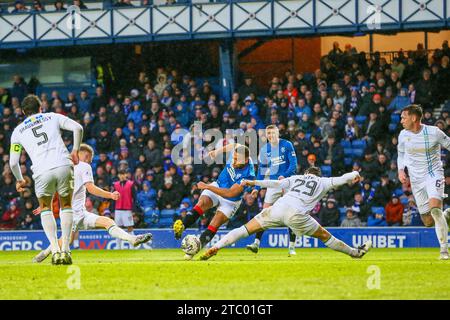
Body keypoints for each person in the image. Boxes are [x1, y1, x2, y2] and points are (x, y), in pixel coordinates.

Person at [199, 167, 371, 261]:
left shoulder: (296, 178)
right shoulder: (323, 181)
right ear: (318, 175)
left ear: (306, 174)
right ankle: (355, 253)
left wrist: (253, 182)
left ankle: (216, 247)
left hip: (277, 208)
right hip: (297, 215)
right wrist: (355, 173)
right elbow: (343, 179)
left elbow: (274, 183)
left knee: (244, 229)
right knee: (325, 236)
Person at [32, 144, 152, 263]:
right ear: (85, 155)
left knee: (106, 222)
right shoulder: (84, 166)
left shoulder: (61, 168)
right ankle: (46, 253)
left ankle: (132, 239)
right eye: (89, 160)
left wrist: (45, 204)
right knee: (67, 240)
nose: (89, 163)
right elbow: (90, 188)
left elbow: (55, 189)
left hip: (76, 212)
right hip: (73, 213)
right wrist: (110, 195)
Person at [9, 95, 83, 265]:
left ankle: (55, 252)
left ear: (22, 112)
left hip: (42, 171)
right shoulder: (53, 117)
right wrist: (75, 150)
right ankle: (66, 250)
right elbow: (78, 128)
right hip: (64, 165)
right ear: (40, 107)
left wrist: (20, 179)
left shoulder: (18, 132)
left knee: (45, 208)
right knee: (66, 205)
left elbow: (13, 162)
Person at [172, 144, 255, 260]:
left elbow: (230, 193)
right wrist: (217, 151)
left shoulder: (248, 175)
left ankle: (193, 250)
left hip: (230, 201)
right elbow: (234, 145)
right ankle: (182, 226)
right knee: (202, 203)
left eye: (237, 159)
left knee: (215, 223)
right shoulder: (239, 151)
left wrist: (207, 186)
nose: (234, 161)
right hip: (218, 185)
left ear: (246, 160)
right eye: (234, 158)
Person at [397, 104, 450, 260]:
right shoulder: (402, 135)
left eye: (403, 117)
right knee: (428, 221)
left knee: (435, 210)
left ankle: (444, 251)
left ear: (414, 118)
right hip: (416, 179)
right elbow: (401, 154)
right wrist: (401, 170)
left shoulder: (434, 132)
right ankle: (447, 215)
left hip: (433, 175)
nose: (401, 120)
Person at [246, 125, 298, 256]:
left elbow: (293, 164)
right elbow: (261, 172)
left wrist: (284, 176)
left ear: (278, 133)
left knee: (291, 214)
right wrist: (257, 188)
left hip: (287, 183)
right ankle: (256, 243)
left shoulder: (287, 145)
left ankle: (291, 247)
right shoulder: (265, 149)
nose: (270, 135)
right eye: (268, 133)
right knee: (264, 213)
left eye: (273, 133)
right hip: (273, 184)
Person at [112, 169, 137, 249]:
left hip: (127, 209)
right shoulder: (115, 185)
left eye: (123, 174)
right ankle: (118, 247)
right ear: (118, 175)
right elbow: (112, 198)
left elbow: (135, 198)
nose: (122, 176)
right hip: (118, 209)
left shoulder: (131, 184)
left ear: (126, 175)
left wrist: (134, 210)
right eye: (120, 174)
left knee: (130, 227)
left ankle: (132, 246)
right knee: (117, 229)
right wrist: (112, 210)